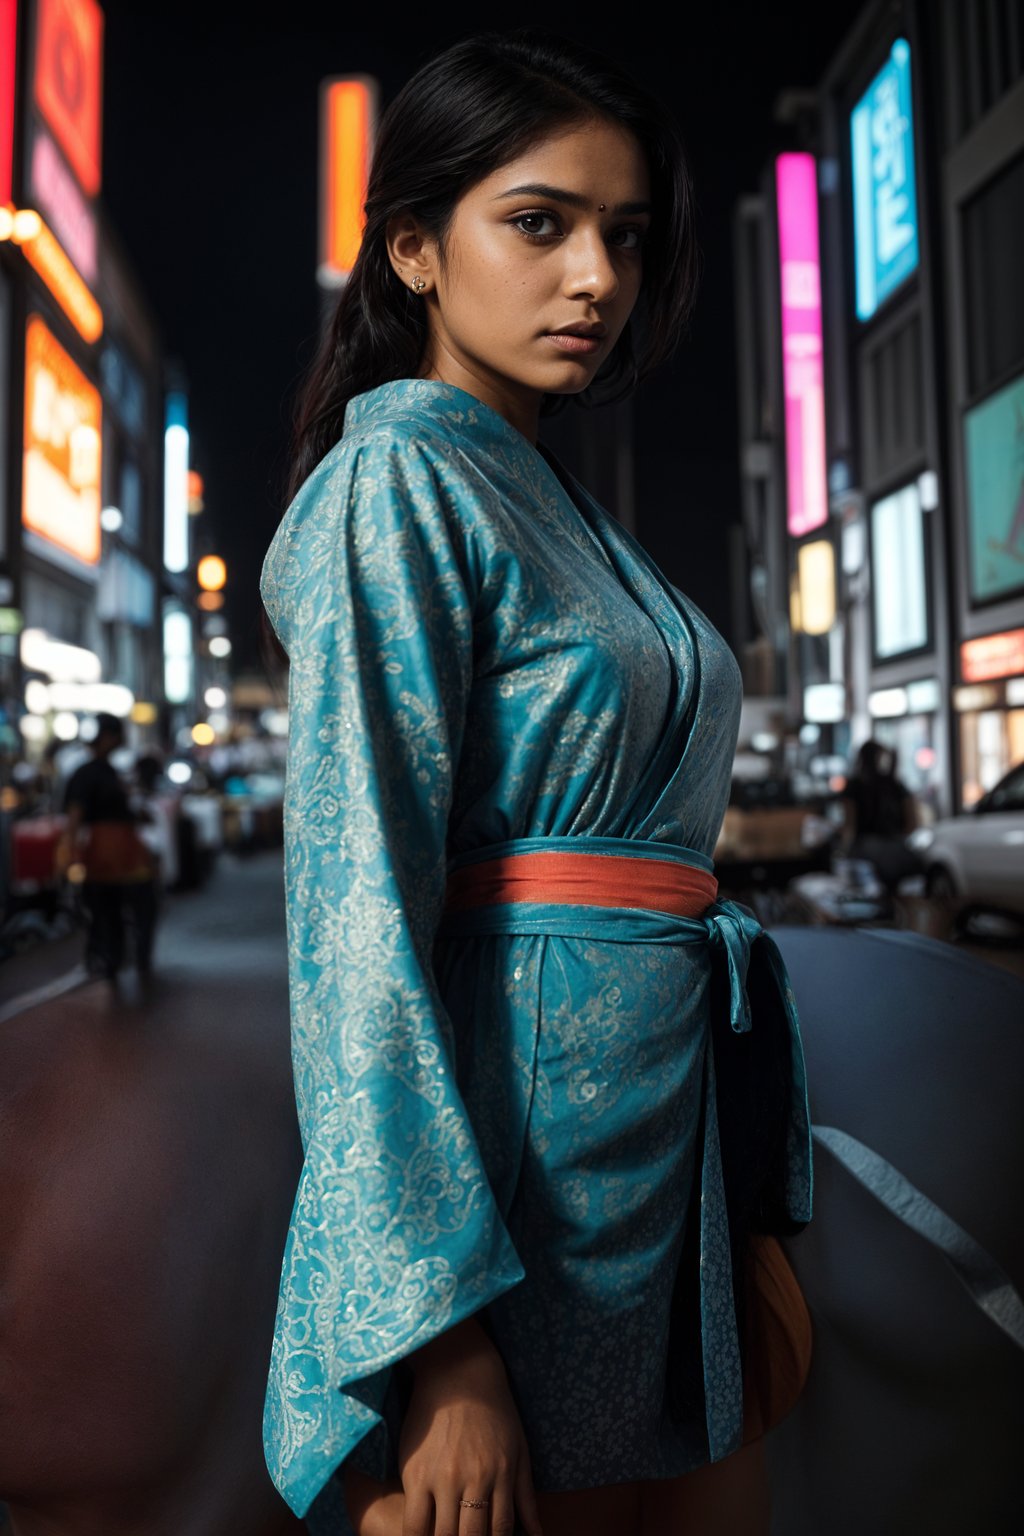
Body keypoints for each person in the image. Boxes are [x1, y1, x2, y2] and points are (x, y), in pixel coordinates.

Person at [259, 28, 813, 1536]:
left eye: (624, 239)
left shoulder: (546, 487)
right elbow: (355, 917)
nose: (596, 279)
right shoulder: (401, 479)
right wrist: (437, 1344)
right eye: (540, 223)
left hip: (658, 1159)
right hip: (511, 1182)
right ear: (416, 248)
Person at [57, 713, 155, 979]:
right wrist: (67, 853)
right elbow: (75, 815)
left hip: (116, 849)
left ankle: (120, 959)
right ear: (107, 737)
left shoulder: (107, 770)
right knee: (114, 908)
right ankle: (117, 959)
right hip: (108, 852)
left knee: (112, 909)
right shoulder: (87, 772)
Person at [840, 738, 923, 894]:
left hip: (866, 849)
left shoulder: (854, 786)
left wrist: (845, 851)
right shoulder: (895, 784)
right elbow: (913, 820)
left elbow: (849, 825)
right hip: (895, 846)